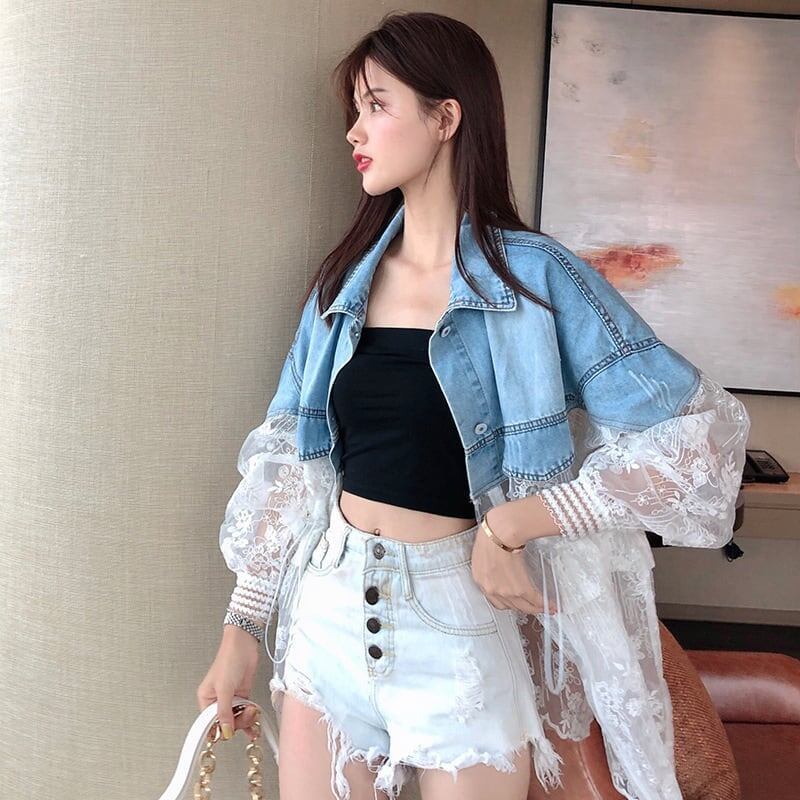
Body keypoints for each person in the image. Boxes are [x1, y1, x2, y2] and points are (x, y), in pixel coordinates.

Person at [196, 11, 750, 800]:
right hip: (328, 616)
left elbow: (701, 442)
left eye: (377, 105)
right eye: (355, 109)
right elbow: (291, 462)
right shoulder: (344, 282)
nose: (354, 130)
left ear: (445, 117)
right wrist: (243, 629)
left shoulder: (536, 279)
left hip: (458, 626)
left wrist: (515, 523)